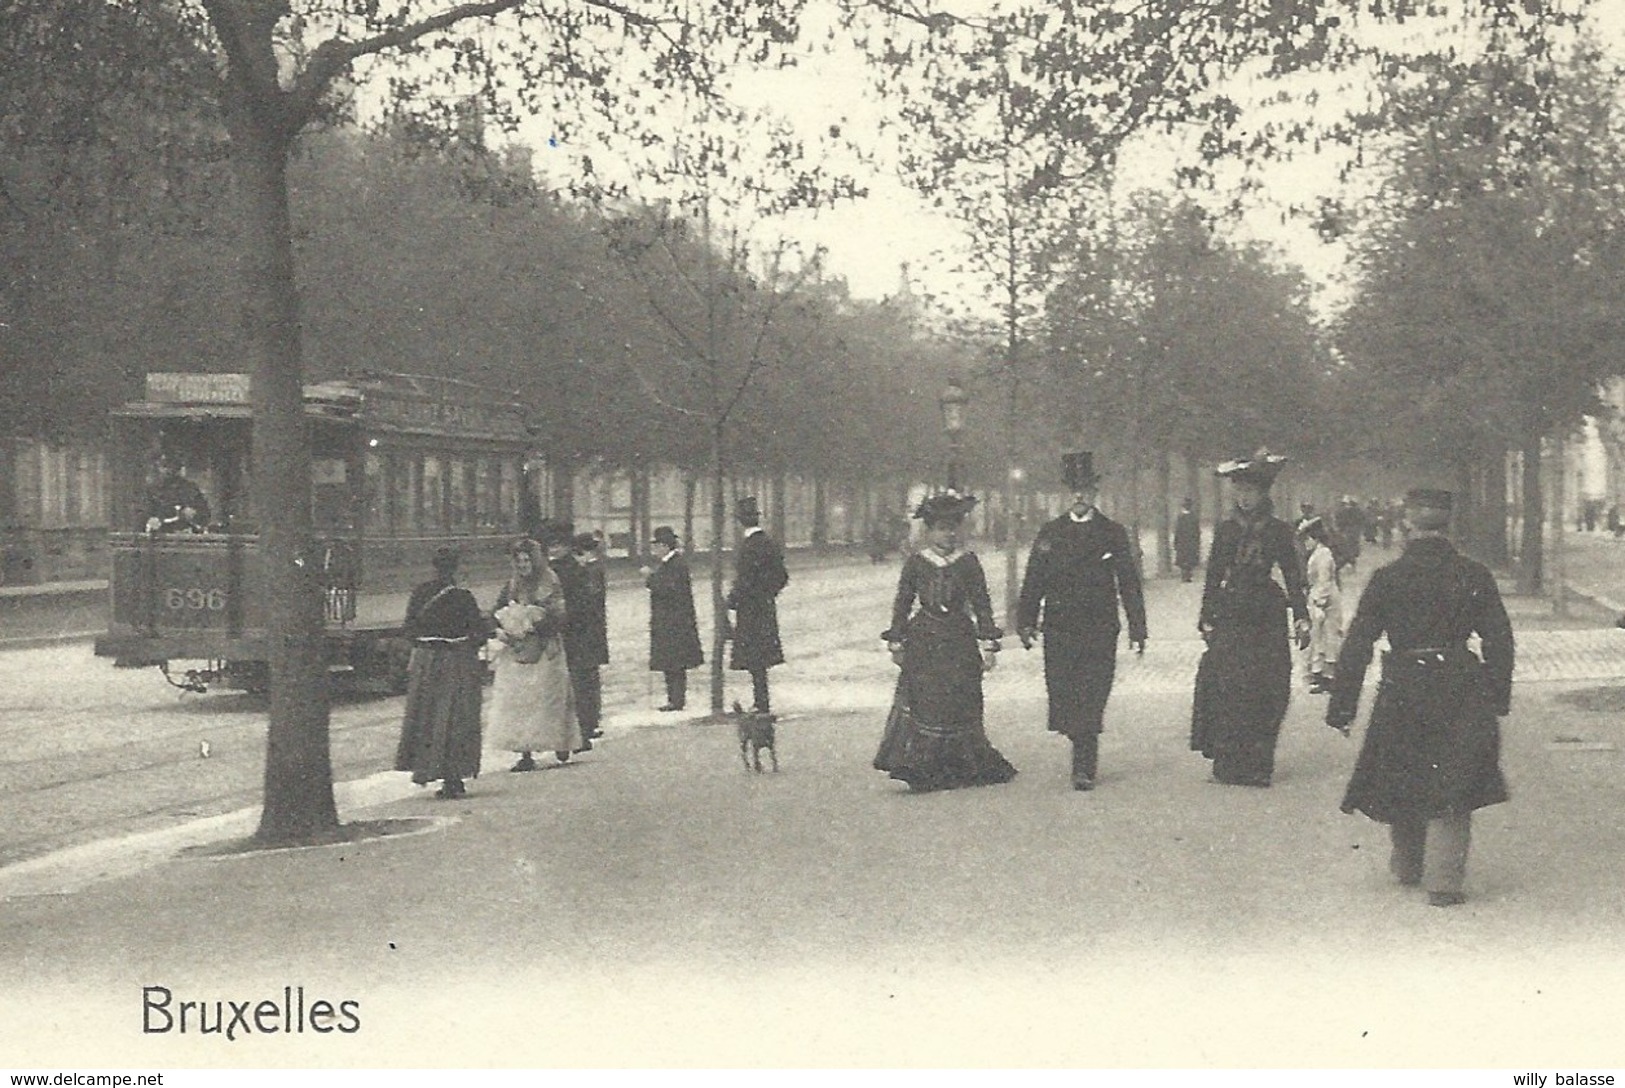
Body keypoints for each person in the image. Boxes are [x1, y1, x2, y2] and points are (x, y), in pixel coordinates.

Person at [1327, 489, 1515, 908]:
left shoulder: (1387, 579)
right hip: (1459, 683)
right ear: (1448, 526)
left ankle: (1409, 861)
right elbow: (1500, 637)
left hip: (1404, 684)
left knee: (1406, 769)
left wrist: (1342, 706)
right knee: (1454, 777)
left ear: (1408, 525)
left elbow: (1358, 642)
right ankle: (1445, 879)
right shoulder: (1474, 575)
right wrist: (1496, 694)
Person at [1016, 452, 1147, 791]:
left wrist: (1137, 627)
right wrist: (1026, 620)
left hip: (1099, 627)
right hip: (1060, 628)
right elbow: (1034, 580)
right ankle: (1080, 741)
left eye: (1085, 489)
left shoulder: (1112, 533)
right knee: (1064, 693)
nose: (1079, 496)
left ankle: (1084, 764)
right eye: (1074, 489)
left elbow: (1129, 582)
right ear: (1067, 493)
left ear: (1094, 493)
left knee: (1092, 693)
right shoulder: (1051, 533)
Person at [873, 489, 1015, 792]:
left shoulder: (968, 563)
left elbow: (981, 604)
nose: (949, 534)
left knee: (959, 700)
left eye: (953, 527)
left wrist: (988, 643)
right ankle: (924, 767)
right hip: (924, 640)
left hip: (959, 639)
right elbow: (902, 602)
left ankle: (957, 765)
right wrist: (896, 640)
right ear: (929, 531)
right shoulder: (916, 563)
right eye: (941, 528)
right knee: (927, 702)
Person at [1190, 449, 1311, 788]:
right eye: (1239, 492)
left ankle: (1259, 764)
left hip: (1268, 614)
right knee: (1228, 688)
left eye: (1250, 492)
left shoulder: (1278, 531)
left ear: (1262, 495)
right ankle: (1228, 763)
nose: (1244, 498)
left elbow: (1292, 575)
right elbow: (1214, 575)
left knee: (1268, 688)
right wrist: (1206, 616)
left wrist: (1301, 617)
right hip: (1232, 613)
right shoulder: (1227, 530)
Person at [395, 547, 488, 799]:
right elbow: (478, 633)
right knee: (456, 718)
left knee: (428, 718)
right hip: (457, 661)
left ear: (434, 567)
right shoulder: (463, 596)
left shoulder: (420, 593)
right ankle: (454, 777)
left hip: (427, 663)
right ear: (456, 568)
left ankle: (428, 769)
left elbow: (409, 630)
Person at [489, 537, 579, 771]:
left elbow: (560, 616)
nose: (522, 566)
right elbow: (497, 609)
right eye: (518, 561)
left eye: (527, 560)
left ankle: (561, 741)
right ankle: (525, 753)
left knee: (550, 699)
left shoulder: (549, 580)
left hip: (545, 650)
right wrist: (504, 626)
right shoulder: (512, 584)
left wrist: (532, 624)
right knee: (520, 702)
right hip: (519, 651)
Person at [725, 496, 789, 716]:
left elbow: (745, 580)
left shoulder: (747, 546)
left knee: (754, 659)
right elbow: (781, 576)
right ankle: (761, 700)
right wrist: (767, 594)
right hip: (764, 608)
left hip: (749, 610)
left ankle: (761, 702)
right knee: (760, 658)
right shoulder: (769, 543)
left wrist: (733, 599)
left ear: (740, 521)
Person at [644, 525, 703, 712]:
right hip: (671, 621)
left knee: (674, 662)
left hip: (674, 622)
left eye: (657, 545)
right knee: (671, 662)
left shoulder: (676, 565)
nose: (654, 549)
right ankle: (674, 698)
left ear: (664, 546)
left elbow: (668, 590)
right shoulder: (671, 564)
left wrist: (650, 578)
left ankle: (676, 700)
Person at [1298, 515, 1343, 695]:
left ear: (1315, 538)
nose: (1305, 543)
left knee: (1328, 636)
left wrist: (1319, 601)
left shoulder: (1323, 554)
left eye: (1307, 539)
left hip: (1326, 598)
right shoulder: (1317, 554)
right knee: (1319, 636)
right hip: (1318, 594)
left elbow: (1324, 580)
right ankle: (1320, 674)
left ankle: (1328, 676)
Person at [572, 530, 610, 740]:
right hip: (594, 632)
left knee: (587, 678)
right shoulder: (595, 569)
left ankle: (591, 720)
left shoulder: (591, 571)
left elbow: (591, 601)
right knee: (590, 677)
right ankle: (592, 719)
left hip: (588, 633)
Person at [143, 453, 211, 533]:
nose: (166, 470)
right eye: (163, 466)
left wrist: (194, 513)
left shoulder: (191, 489)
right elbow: (144, 513)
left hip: (187, 534)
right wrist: (151, 520)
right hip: (161, 535)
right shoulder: (153, 490)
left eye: (170, 467)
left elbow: (205, 514)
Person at [1173, 496, 1202, 583]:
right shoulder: (1193, 517)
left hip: (1183, 542)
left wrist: (1176, 542)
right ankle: (1187, 575)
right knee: (1189, 559)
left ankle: (1185, 575)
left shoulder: (1181, 518)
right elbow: (1197, 532)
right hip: (1190, 542)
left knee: (1185, 559)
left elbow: (1177, 531)